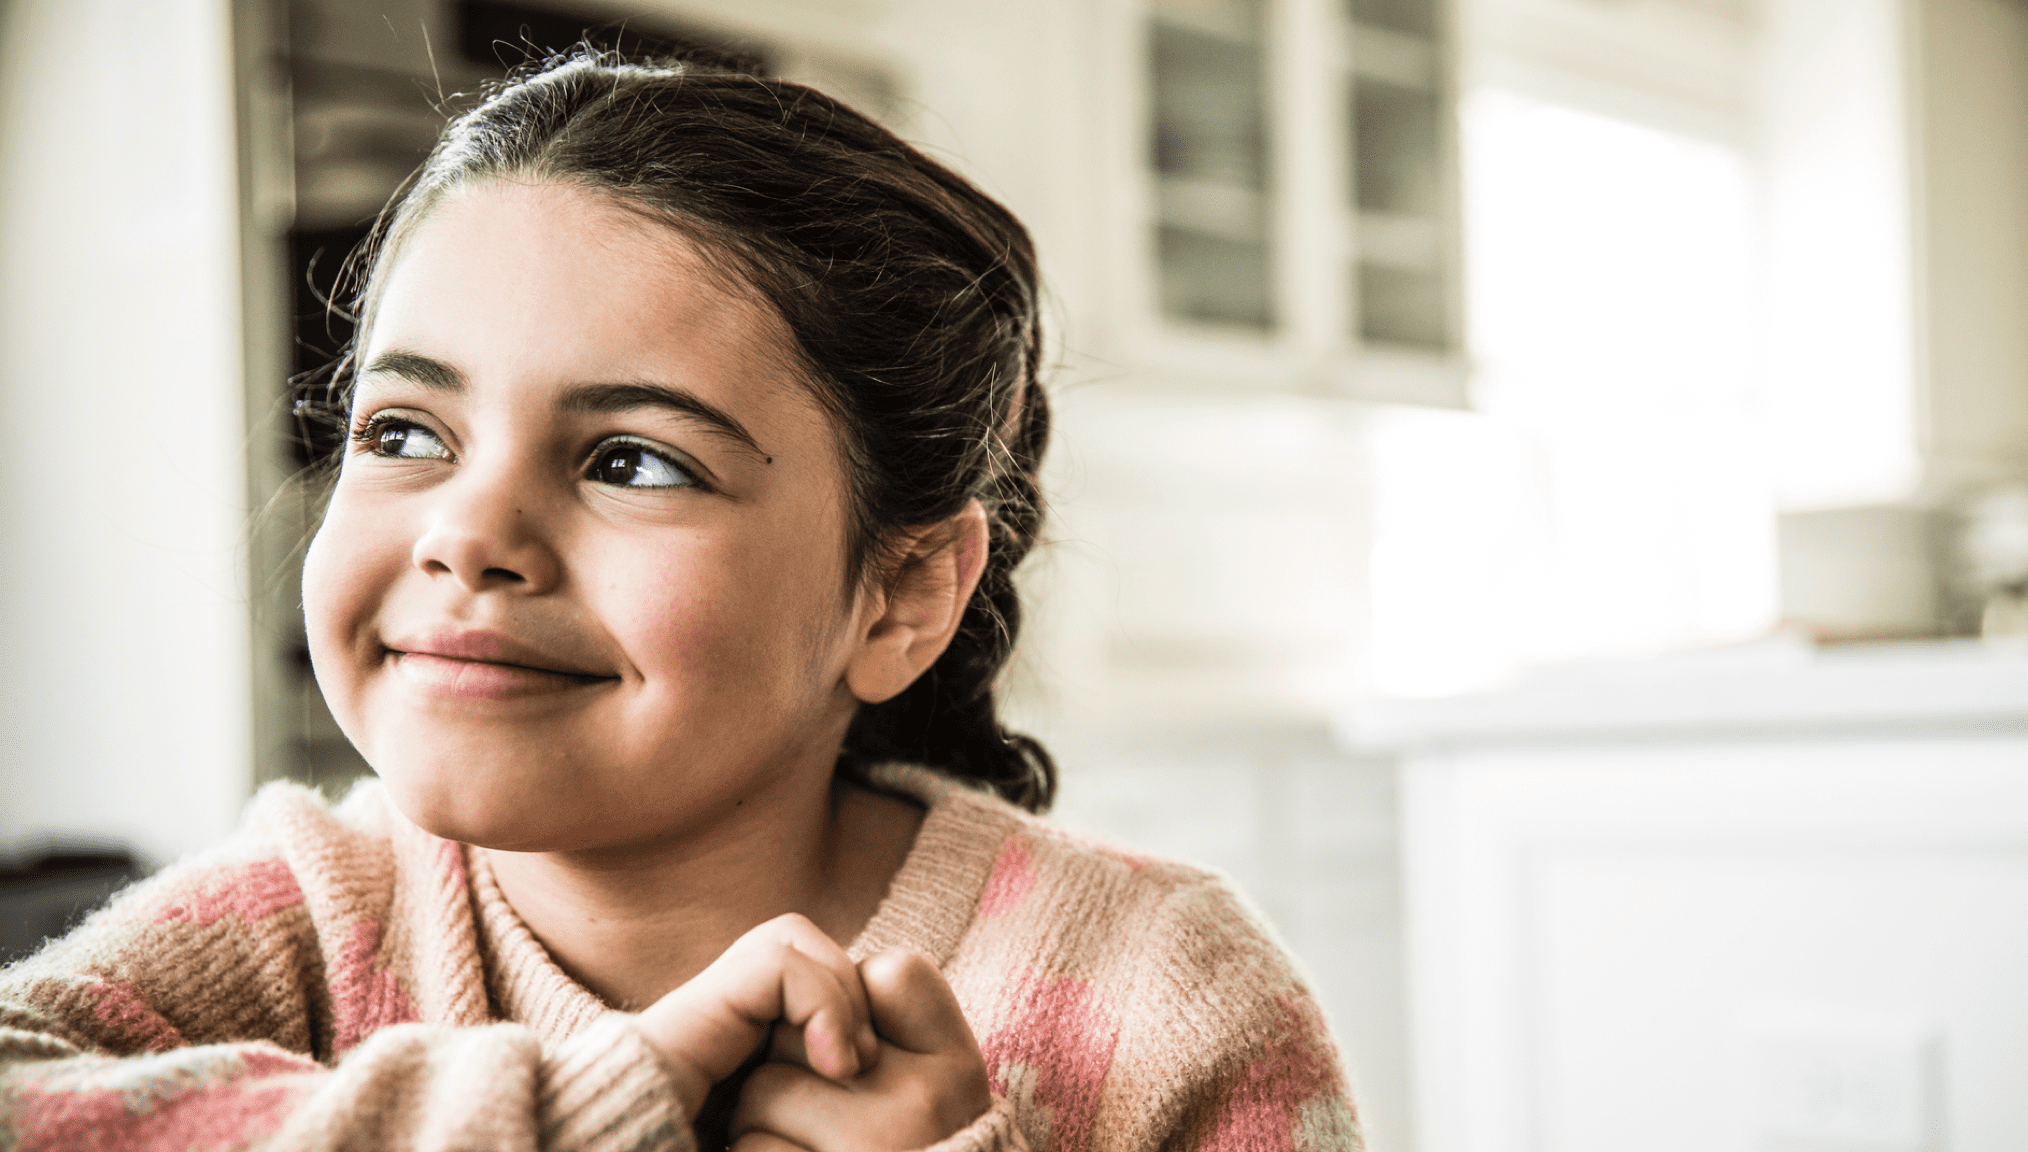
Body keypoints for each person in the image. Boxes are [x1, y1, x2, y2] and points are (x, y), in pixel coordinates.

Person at [0, 51, 1360, 1152]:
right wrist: (582, 1112)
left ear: (900, 595)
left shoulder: (1162, 1001)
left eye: (631, 462)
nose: (468, 535)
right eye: (405, 432)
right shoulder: (304, 916)